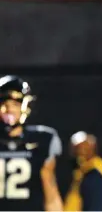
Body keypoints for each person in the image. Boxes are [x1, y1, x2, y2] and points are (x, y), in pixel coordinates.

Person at [0, 75, 63, 211]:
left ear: (25, 106)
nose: (9, 110)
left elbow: (51, 194)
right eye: (4, 104)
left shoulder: (41, 140)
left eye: (15, 104)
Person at [64, 131, 102, 211]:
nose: (80, 151)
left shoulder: (95, 174)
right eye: (76, 148)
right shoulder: (84, 172)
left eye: (83, 147)